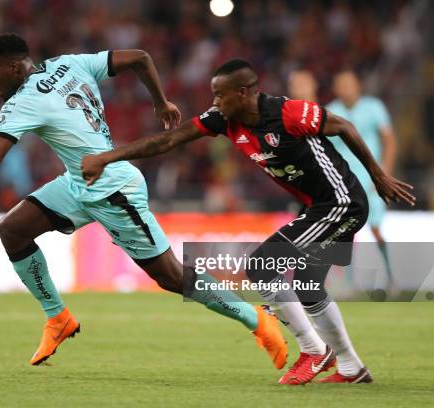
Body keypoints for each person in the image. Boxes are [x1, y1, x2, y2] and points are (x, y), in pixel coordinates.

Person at [0, 34, 287, 369]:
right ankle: (58, 318)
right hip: (80, 181)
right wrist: (160, 101)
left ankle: (254, 318)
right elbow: (140, 58)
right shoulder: (69, 64)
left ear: (15, 67)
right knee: (12, 229)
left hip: (113, 188)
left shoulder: (22, 102)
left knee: (169, 276)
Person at [82, 59, 415, 384]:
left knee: (261, 266)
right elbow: (168, 140)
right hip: (318, 206)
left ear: (243, 93)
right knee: (308, 286)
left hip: (341, 203)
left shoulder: (287, 112)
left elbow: (344, 126)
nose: (214, 102)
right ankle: (352, 367)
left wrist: (378, 175)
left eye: (220, 94)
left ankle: (314, 351)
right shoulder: (223, 119)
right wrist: (108, 158)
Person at [327, 70, 398, 294]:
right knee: (346, 232)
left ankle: (390, 278)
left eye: (349, 83)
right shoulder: (331, 111)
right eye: (341, 85)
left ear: (358, 85)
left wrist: (384, 172)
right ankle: (349, 284)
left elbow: (389, 140)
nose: (346, 88)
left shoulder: (374, 107)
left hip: (371, 181)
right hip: (344, 182)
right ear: (336, 89)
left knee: (376, 229)